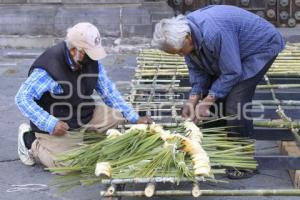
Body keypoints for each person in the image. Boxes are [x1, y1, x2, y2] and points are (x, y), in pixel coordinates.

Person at [15, 22, 152, 168]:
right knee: (68, 164)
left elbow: (108, 91)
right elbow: (22, 98)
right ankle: (30, 142)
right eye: (89, 53)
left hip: (83, 113)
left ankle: (82, 139)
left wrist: (134, 118)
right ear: (75, 50)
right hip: (59, 123)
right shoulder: (49, 67)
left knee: (119, 120)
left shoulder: (90, 61)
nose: (93, 58)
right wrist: (50, 123)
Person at [151, 5, 285, 138]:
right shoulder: (186, 36)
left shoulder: (213, 33)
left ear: (187, 37)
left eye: (180, 51)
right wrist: (193, 100)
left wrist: (207, 102)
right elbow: (197, 70)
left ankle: (240, 147)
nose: (181, 55)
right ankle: (213, 140)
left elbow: (232, 72)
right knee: (210, 99)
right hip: (232, 52)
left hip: (259, 47)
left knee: (235, 103)